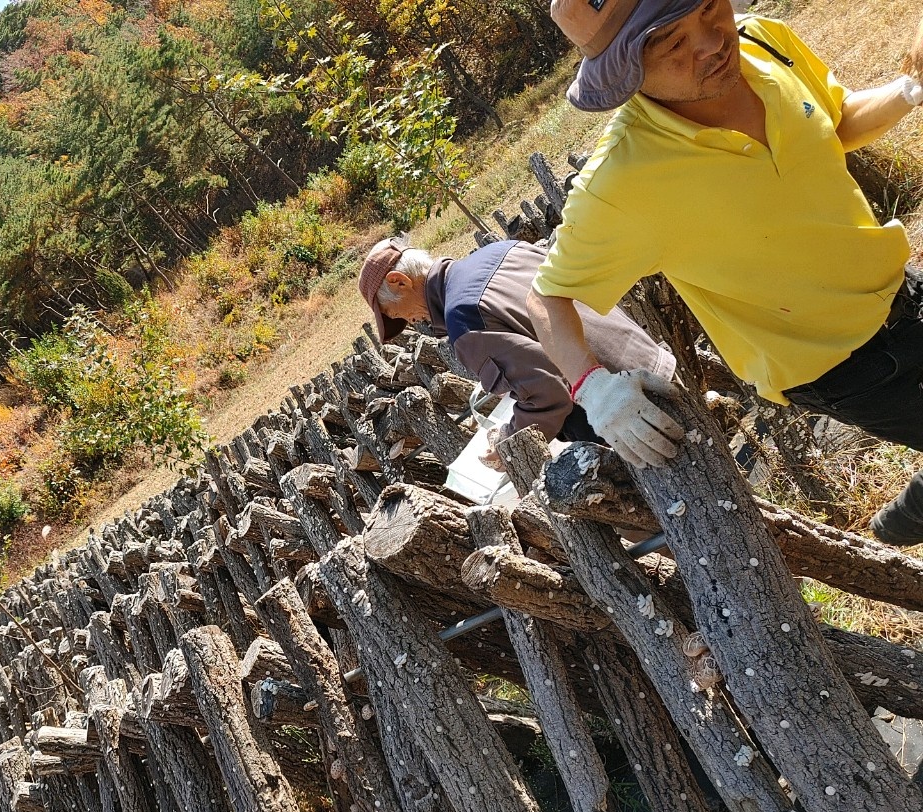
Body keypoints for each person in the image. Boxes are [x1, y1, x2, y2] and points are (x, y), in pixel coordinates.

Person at [527, 0, 923, 545]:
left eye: (710, 7)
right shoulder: (623, 182)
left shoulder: (763, 43)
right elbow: (548, 298)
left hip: (898, 285)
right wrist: (592, 388)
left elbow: (831, 124)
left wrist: (910, 90)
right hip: (839, 364)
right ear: (626, 72)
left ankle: (905, 517)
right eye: (673, 42)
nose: (713, 42)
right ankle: (902, 523)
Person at [358, 236, 676, 466]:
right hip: (650, 364)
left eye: (396, 313)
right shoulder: (500, 250)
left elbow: (547, 395)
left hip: (629, 421)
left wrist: (509, 440)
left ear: (399, 282)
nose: (411, 322)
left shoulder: (464, 320)